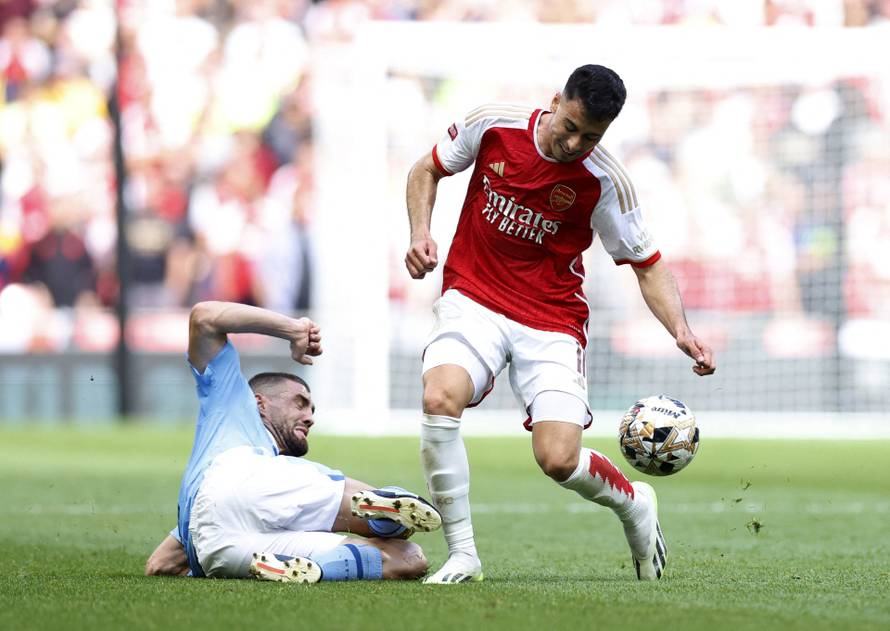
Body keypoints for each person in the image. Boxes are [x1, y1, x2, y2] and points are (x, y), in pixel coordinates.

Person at [404, 64, 716, 584]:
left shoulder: (606, 181)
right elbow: (426, 169)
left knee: (557, 459)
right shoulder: (494, 125)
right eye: (569, 126)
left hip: (550, 321)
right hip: (473, 299)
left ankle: (635, 502)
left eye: (590, 136)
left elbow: (647, 262)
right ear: (554, 101)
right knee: (440, 398)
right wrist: (420, 232)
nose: (574, 142)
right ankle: (463, 555)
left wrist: (680, 330)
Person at [145, 300, 441, 583]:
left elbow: (160, 565)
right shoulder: (232, 399)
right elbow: (205, 315)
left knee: (408, 558)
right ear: (259, 403)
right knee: (389, 522)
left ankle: (318, 568)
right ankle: (388, 514)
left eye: (312, 410)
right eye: (300, 403)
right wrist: (293, 329)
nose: (310, 417)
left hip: (215, 547)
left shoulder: (208, 510)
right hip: (242, 472)